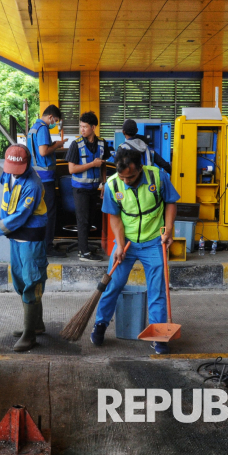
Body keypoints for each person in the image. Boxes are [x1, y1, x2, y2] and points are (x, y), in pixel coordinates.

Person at [90, 148, 180, 354]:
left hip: (153, 242)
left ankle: (159, 336)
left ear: (140, 168)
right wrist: (120, 245)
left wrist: (167, 230)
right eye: (122, 176)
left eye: (130, 176)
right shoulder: (113, 184)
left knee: (157, 291)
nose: (126, 180)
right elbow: (114, 217)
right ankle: (101, 324)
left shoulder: (157, 177)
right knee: (112, 284)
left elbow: (170, 203)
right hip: (127, 241)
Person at [0, 145, 48, 352]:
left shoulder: (33, 185)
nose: (11, 173)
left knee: (32, 282)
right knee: (20, 280)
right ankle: (36, 325)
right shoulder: (11, 173)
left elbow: (19, 217)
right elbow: (1, 175)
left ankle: (30, 335)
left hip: (31, 240)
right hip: (16, 239)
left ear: (26, 165)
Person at [64, 111, 109, 262]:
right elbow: (72, 169)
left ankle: (85, 248)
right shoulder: (75, 145)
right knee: (83, 220)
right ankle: (83, 252)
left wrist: (103, 183)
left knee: (90, 219)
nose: (81, 130)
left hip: (94, 188)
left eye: (85, 127)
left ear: (93, 127)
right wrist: (92, 164)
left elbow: (103, 166)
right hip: (80, 189)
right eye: (80, 126)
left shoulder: (102, 143)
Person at [27, 105, 67, 257]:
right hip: (45, 179)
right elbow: (43, 151)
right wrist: (57, 145)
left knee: (38, 213)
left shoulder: (33, 128)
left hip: (36, 177)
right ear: (50, 117)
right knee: (49, 213)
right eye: (55, 121)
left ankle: (39, 245)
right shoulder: (43, 128)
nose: (55, 124)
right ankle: (48, 247)